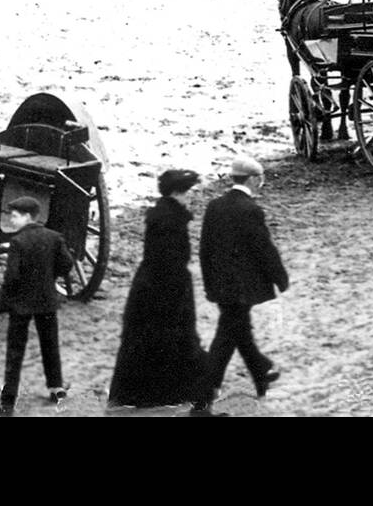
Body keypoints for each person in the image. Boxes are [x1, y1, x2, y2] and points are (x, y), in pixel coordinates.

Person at [109, 170, 215, 412]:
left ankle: (143, 395)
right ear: (178, 192)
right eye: (189, 193)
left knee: (146, 342)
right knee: (182, 341)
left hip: (149, 288)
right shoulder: (172, 221)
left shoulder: (161, 215)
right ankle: (199, 400)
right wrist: (178, 295)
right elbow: (169, 261)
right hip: (167, 289)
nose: (191, 198)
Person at [200, 154, 289, 402]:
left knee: (238, 331)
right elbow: (264, 248)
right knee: (228, 336)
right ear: (251, 180)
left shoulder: (214, 206)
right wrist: (280, 278)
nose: (261, 183)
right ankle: (208, 386)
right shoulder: (251, 210)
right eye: (259, 179)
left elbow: (204, 250)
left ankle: (261, 373)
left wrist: (209, 284)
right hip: (242, 288)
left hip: (219, 285)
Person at [0, 196, 73, 416]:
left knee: (15, 352)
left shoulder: (18, 242)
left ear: (27, 217)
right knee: (50, 345)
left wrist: (7, 301)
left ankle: (8, 401)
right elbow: (67, 264)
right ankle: (56, 388)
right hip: (47, 301)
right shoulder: (54, 237)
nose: (11, 219)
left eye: (15, 215)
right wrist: (49, 277)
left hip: (21, 305)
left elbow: (11, 276)